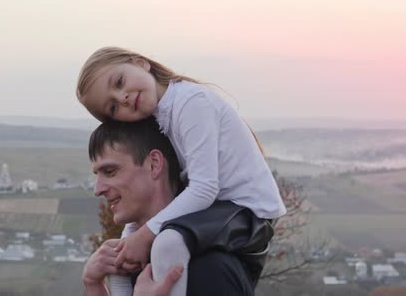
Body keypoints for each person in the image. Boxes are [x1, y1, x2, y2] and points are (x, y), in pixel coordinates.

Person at [77, 47, 286, 295]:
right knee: (122, 255)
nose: (122, 97)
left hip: (248, 208)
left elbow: (204, 188)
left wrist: (144, 235)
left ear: (140, 63)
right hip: (220, 206)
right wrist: (102, 275)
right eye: (112, 107)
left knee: (168, 241)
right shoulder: (162, 117)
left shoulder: (190, 102)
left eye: (120, 82)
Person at [82, 118, 261, 295]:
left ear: (154, 164)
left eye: (110, 172)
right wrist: (93, 285)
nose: (98, 189)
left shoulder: (208, 268)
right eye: (97, 175)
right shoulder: (139, 261)